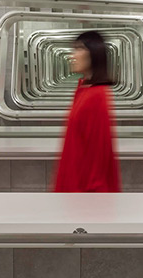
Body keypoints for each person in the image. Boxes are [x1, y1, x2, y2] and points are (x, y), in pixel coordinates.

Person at [52, 31, 122, 192]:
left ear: (94, 54)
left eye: (79, 49)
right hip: (72, 184)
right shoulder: (83, 89)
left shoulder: (97, 96)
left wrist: (93, 194)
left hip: (84, 192)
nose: (72, 55)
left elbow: (99, 152)